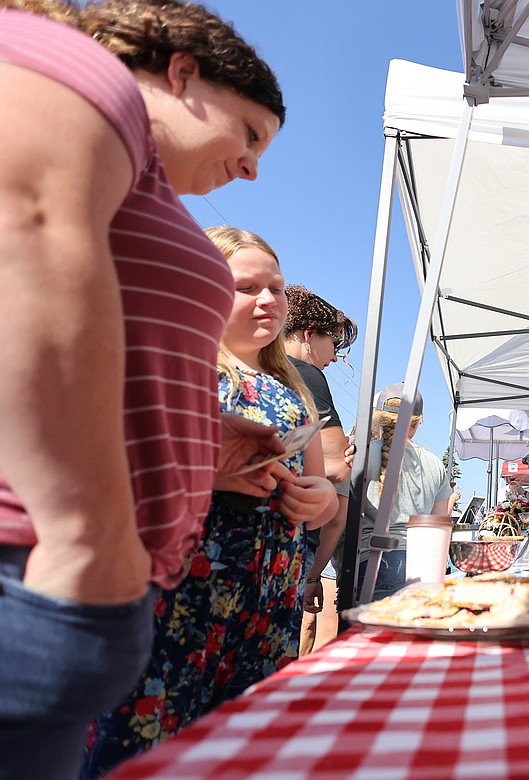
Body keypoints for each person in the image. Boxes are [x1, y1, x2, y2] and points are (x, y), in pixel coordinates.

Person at [0, 2, 287, 777]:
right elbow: (24, 235)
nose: (254, 167)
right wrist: (82, 533)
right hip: (31, 562)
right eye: (251, 134)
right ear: (183, 75)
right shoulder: (87, 76)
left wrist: (205, 428)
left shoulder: (131, 172)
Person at [83, 227, 338, 777]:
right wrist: (211, 473)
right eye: (247, 286)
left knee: (242, 750)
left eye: (278, 287)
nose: (269, 300)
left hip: (266, 606)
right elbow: (101, 470)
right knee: (144, 749)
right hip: (173, 605)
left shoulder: (293, 386)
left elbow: (323, 494)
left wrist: (316, 502)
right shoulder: (171, 363)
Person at [283, 284, 358, 655]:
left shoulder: (250, 368)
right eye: (335, 344)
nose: (336, 356)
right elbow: (335, 470)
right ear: (309, 334)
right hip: (284, 547)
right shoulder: (306, 376)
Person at [350, 383, 452, 600]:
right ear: (416, 424)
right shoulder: (435, 464)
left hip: (370, 560)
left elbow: (341, 518)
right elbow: (438, 526)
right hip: (419, 565)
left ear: (378, 418)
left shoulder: (361, 457)